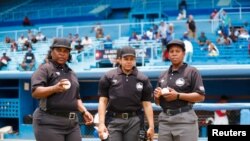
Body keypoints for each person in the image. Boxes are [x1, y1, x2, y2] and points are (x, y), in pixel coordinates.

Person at [31, 38, 94, 141]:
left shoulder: (71, 73)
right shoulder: (45, 68)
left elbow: (76, 98)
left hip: (72, 123)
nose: (62, 54)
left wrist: (84, 112)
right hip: (49, 122)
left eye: (66, 51)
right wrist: (54, 88)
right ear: (52, 52)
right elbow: (35, 92)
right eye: (59, 50)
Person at [98, 46, 154, 141]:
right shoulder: (108, 76)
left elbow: (147, 104)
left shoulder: (142, 78)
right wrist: (101, 123)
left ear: (135, 60)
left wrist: (151, 126)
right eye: (126, 59)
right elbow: (103, 101)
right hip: (113, 119)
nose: (129, 61)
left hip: (134, 120)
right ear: (119, 60)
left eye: (132, 59)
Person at [154, 39, 205, 141]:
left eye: (177, 51)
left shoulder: (192, 71)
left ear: (183, 53)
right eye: (171, 52)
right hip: (165, 120)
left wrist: (178, 95)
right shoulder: (163, 75)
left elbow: (201, 96)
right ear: (168, 55)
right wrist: (157, 96)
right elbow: (157, 103)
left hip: (184, 119)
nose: (174, 54)